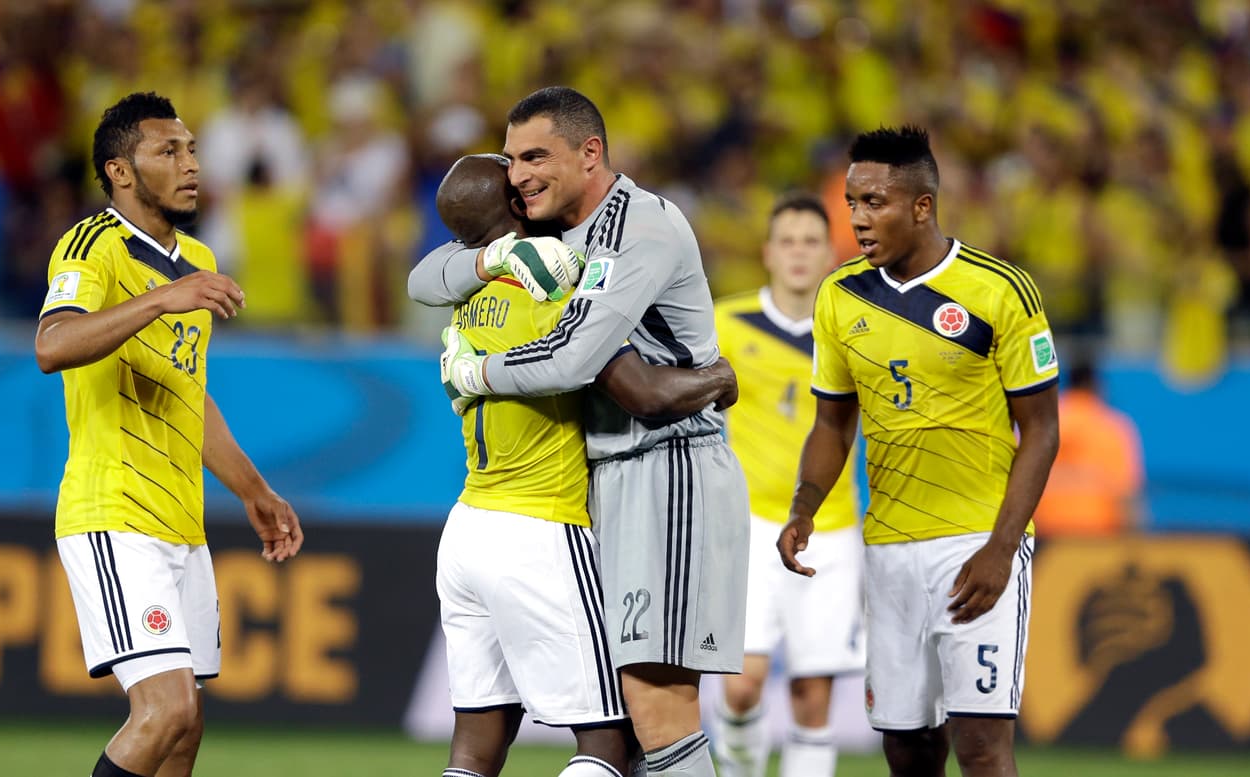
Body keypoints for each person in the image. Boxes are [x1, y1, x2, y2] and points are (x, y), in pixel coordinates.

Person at [413, 86, 750, 777]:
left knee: (653, 705)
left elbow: (578, 362)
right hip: (602, 478)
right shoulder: (550, 242)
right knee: (627, 721)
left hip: (666, 467)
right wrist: (492, 259)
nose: (519, 175)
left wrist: (476, 371)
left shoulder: (640, 227)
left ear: (590, 153)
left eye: (535, 156)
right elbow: (425, 275)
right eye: (510, 161)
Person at [33, 92, 303, 777]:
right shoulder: (92, 246)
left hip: (182, 523)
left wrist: (253, 488)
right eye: (168, 151)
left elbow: (191, 395)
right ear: (121, 171)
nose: (190, 164)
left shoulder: (198, 257)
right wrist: (159, 298)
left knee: (185, 730)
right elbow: (52, 343)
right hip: (114, 513)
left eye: (191, 149)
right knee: (165, 710)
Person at [778, 126, 1060, 777]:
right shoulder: (839, 295)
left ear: (921, 206)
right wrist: (805, 506)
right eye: (852, 203)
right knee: (907, 745)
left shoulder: (999, 291)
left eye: (874, 202)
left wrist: (1000, 546)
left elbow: (1041, 430)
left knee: (982, 745)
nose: (857, 219)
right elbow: (831, 422)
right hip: (889, 549)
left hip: (975, 540)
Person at [711, 192, 863, 777]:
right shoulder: (726, 322)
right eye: (788, 241)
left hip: (831, 530)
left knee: (812, 698)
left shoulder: (853, 329)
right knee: (743, 686)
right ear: (768, 253)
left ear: (830, 254)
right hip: (747, 529)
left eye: (810, 242)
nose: (799, 253)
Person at [1033, 358, 1145, 537]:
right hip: (1096, 540)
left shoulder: (1042, 423)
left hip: (1043, 539)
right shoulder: (1112, 426)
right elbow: (1127, 495)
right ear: (1096, 386)